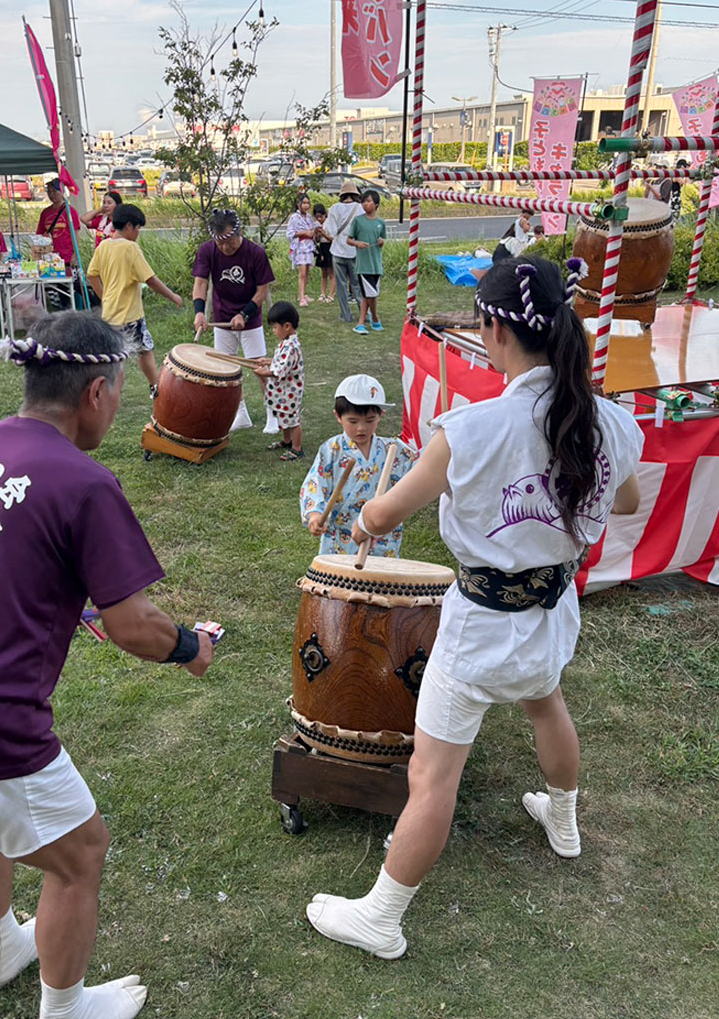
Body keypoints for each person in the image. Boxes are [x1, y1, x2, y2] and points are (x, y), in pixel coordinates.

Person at [305, 256, 643, 960]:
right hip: (551, 615)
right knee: (547, 704)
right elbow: (628, 500)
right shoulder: (609, 418)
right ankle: (565, 820)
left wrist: (365, 518)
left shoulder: (473, 428)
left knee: (433, 777)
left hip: (482, 627)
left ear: (492, 330)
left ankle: (383, 917)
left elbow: (388, 509)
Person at [0, 311, 215, 1019]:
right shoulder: (82, 481)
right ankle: (66, 1007)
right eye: (118, 390)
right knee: (80, 853)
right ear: (97, 393)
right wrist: (190, 647)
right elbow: (136, 627)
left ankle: (2, 951)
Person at [300, 373, 417, 555]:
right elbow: (315, 483)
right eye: (353, 421)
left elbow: (423, 468)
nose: (361, 428)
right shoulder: (332, 449)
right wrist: (315, 514)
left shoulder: (393, 449)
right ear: (338, 416)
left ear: (381, 415)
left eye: (370, 420)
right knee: (340, 581)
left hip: (381, 536)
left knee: (381, 579)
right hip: (340, 537)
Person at [192, 208, 277, 432]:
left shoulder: (255, 253)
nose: (225, 247)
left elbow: (261, 292)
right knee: (227, 369)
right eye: (220, 243)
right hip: (222, 316)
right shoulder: (207, 250)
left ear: (238, 232)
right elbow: (200, 283)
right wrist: (199, 312)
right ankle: (240, 414)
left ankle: (273, 414)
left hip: (250, 316)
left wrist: (244, 315)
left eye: (229, 241)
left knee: (259, 366)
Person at [87, 203, 182, 397]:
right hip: (129, 314)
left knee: (113, 356)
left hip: (109, 313)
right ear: (129, 226)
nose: (138, 233)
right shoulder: (131, 248)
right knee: (144, 350)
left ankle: (100, 390)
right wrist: (173, 296)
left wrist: (104, 297)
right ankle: (155, 386)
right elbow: (150, 279)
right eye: (138, 228)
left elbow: (91, 275)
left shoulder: (104, 245)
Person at [254, 300, 305, 460]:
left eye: (275, 327)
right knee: (282, 415)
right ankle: (287, 440)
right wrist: (267, 361)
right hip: (283, 390)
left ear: (287, 326)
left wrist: (264, 373)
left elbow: (279, 370)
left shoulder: (291, 347)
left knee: (292, 419)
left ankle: (297, 448)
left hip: (289, 391)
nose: (274, 331)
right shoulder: (286, 343)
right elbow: (280, 361)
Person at [37, 179, 81, 311]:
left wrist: (75, 254)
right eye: (49, 191)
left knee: (70, 288)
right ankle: (61, 312)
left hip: (67, 257)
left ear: (62, 191)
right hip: (50, 259)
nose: (52, 195)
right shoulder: (45, 213)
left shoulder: (70, 211)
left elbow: (75, 234)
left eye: (54, 191)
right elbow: (39, 234)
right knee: (54, 290)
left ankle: (72, 312)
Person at [322, 181, 363, 324]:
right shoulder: (360, 209)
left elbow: (331, 231)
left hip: (338, 251)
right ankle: (365, 314)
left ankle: (346, 315)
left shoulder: (334, 208)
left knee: (341, 286)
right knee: (357, 285)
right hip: (354, 252)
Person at [348, 189, 386, 335]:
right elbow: (349, 239)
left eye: (369, 201)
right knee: (371, 294)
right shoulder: (358, 221)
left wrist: (381, 242)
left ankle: (362, 323)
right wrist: (357, 244)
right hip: (363, 265)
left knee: (368, 295)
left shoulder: (380, 223)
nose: (365, 204)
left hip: (376, 264)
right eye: (363, 201)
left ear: (376, 204)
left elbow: (383, 240)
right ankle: (375, 319)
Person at [286, 194, 317, 307]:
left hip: (309, 246)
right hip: (300, 247)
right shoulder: (294, 217)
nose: (306, 205)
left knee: (307, 272)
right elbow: (289, 233)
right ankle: (301, 297)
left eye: (308, 203)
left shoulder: (309, 217)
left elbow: (313, 230)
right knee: (302, 273)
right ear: (299, 204)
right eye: (304, 203)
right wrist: (304, 233)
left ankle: (303, 294)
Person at [312, 202, 336, 304]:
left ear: (325, 215)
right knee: (323, 273)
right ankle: (322, 293)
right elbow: (317, 240)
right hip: (322, 248)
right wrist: (317, 234)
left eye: (321, 216)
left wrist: (323, 233)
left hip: (329, 247)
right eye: (317, 217)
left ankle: (331, 294)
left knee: (331, 273)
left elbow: (332, 239)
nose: (319, 219)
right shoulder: (317, 225)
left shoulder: (329, 223)